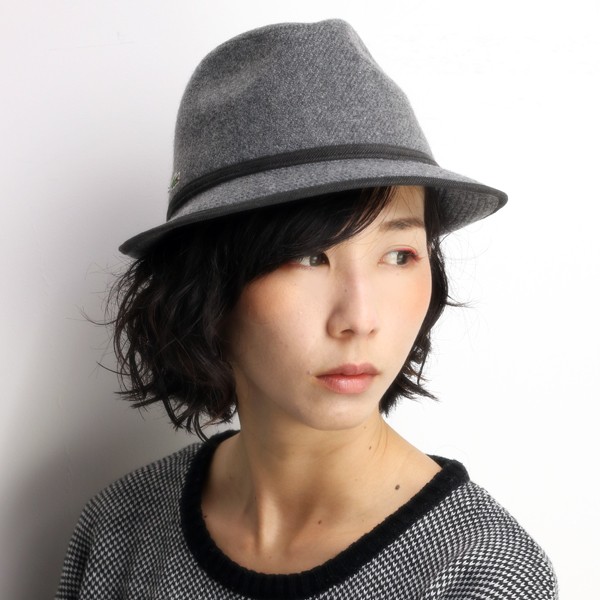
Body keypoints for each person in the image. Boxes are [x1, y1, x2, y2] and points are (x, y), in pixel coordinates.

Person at [56, 18, 558, 599]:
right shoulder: (118, 528)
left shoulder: (479, 575)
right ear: (205, 284)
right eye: (307, 257)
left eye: (399, 255)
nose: (360, 318)